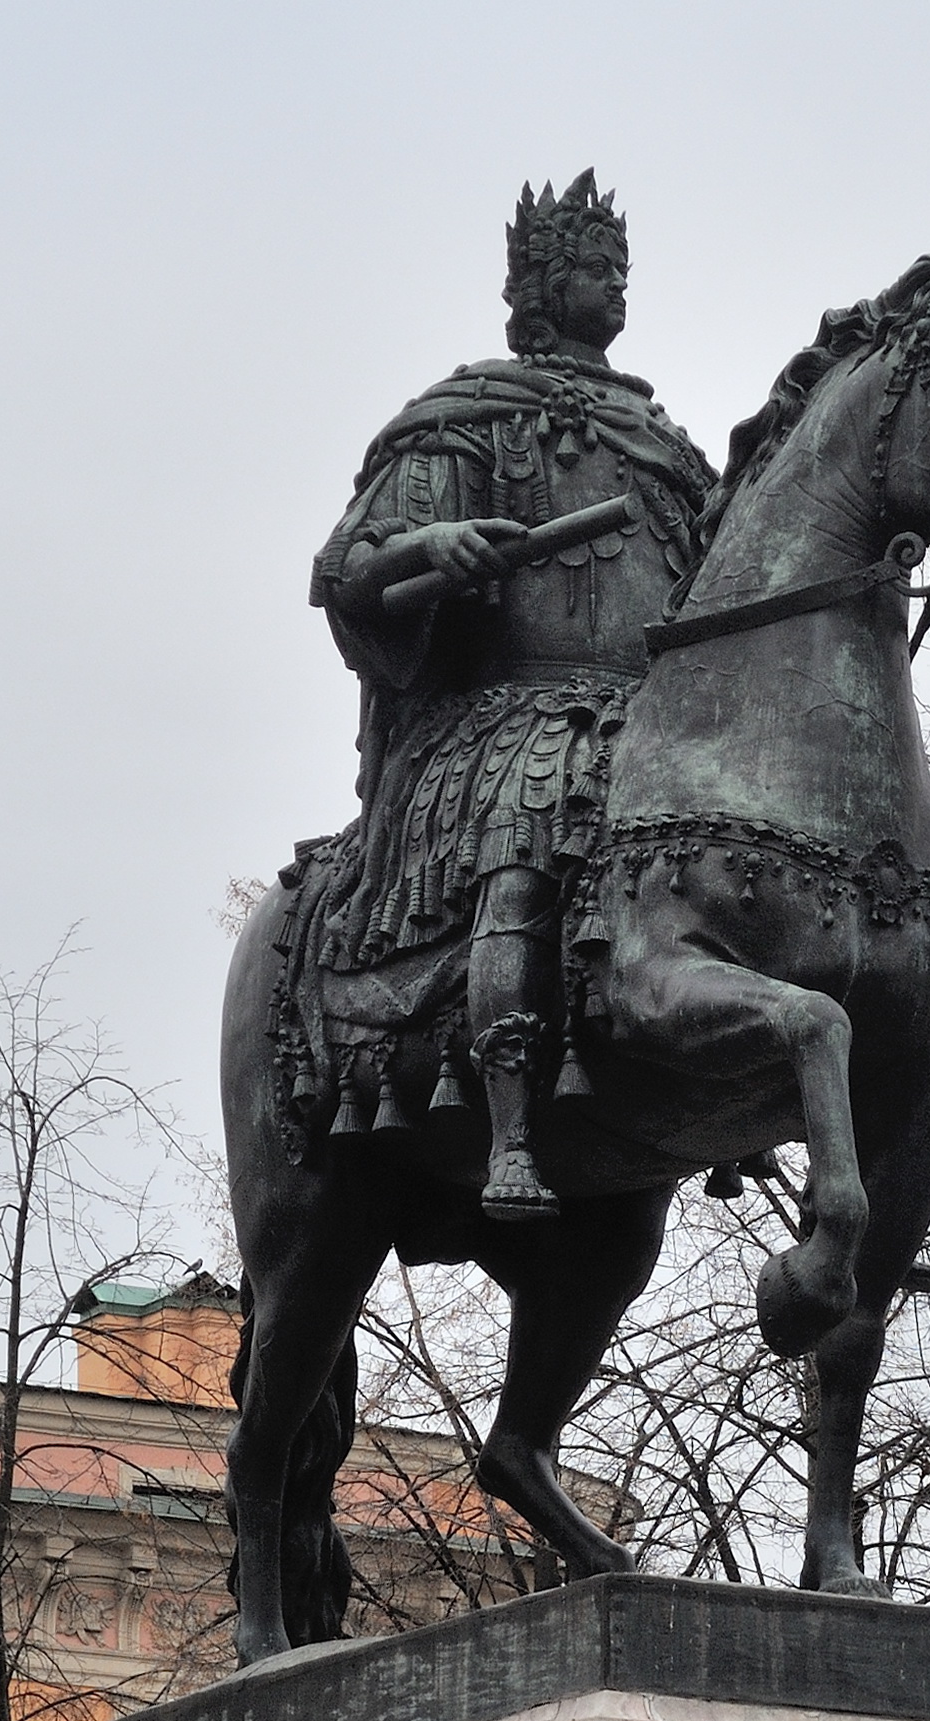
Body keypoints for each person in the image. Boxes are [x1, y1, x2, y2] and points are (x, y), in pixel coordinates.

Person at [309, 175, 716, 1215]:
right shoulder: (469, 418)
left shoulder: (663, 446)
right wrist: (431, 541)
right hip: (505, 715)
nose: (611, 287)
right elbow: (350, 564)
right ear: (538, 285)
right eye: (589, 269)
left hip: (647, 715)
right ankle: (511, 1126)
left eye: (620, 271)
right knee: (538, 804)